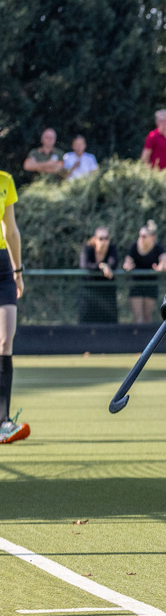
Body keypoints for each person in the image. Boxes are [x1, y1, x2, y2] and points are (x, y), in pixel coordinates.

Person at [0, 170, 29, 444]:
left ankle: (3, 422)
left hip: (2, 266)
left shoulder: (5, 181)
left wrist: (17, 271)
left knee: (5, 341)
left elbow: (10, 230)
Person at [123, 221, 166, 323]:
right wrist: (128, 266)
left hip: (151, 286)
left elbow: (165, 264)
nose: (140, 238)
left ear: (152, 237)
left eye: (144, 236)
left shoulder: (158, 248)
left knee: (147, 318)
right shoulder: (134, 247)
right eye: (140, 235)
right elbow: (127, 263)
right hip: (136, 286)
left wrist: (161, 267)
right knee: (138, 319)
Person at [78, 227, 118, 324]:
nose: (104, 241)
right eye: (101, 238)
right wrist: (101, 266)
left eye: (106, 238)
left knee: (109, 324)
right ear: (95, 239)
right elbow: (84, 265)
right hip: (89, 294)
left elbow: (113, 264)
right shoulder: (88, 249)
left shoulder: (112, 249)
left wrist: (106, 266)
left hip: (107, 294)